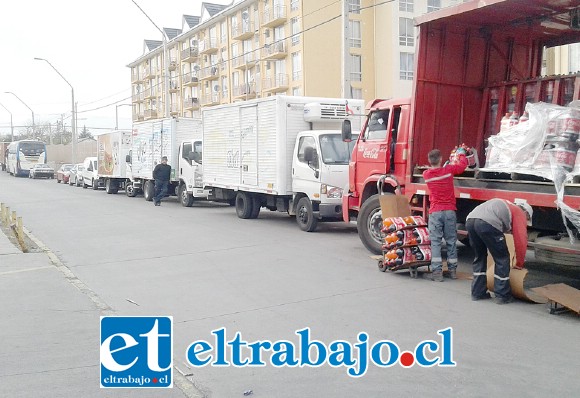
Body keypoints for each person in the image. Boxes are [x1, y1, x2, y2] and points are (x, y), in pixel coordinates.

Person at [466, 199, 532, 304]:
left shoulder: (506, 206)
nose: (525, 222)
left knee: (480, 257)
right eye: (527, 219)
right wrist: (519, 263)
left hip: (470, 221)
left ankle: (477, 293)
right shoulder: (519, 212)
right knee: (502, 258)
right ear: (526, 213)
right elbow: (521, 240)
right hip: (487, 223)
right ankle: (502, 295)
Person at [423, 148, 468, 282]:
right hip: (449, 211)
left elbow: (430, 170)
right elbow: (462, 167)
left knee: (436, 242)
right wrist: (461, 154)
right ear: (441, 159)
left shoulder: (427, 174)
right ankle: (452, 271)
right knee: (451, 241)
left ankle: (437, 273)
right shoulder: (448, 170)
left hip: (436, 211)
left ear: (430, 161)